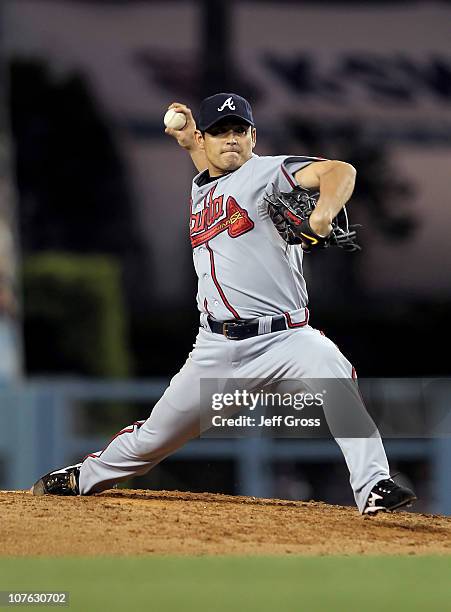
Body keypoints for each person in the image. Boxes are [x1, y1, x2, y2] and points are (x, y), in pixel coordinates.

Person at [32, 93, 416, 514]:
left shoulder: (269, 172)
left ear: (253, 136)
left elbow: (340, 171)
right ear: (207, 137)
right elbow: (206, 160)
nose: (230, 139)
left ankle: (374, 485)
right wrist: (184, 135)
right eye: (220, 131)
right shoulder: (205, 183)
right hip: (216, 349)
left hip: (286, 340)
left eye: (239, 130)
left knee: (335, 374)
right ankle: (84, 477)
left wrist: (322, 214)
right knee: (151, 441)